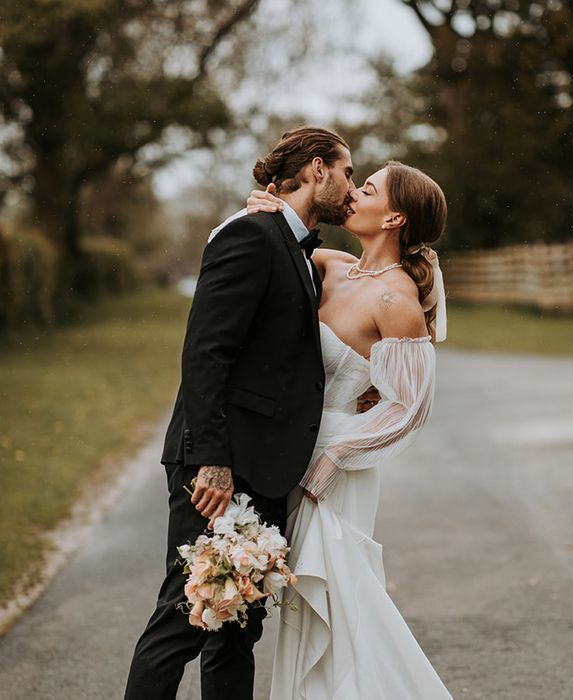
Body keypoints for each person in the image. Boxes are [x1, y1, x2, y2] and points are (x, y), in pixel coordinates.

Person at [123, 126, 358, 700]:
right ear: (318, 169)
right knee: (183, 617)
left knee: (236, 629)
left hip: (267, 468)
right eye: (349, 172)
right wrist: (212, 460)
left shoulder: (296, 246)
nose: (352, 186)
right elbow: (206, 352)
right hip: (219, 469)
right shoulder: (252, 235)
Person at [245, 160, 454, 699]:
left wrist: (337, 455)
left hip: (339, 468)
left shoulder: (396, 301)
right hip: (295, 451)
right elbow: (263, 247)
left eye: (367, 189)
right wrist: (264, 210)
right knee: (303, 612)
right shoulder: (331, 264)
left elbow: (409, 407)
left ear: (394, 218)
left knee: (341, 606)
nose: (353, 194)